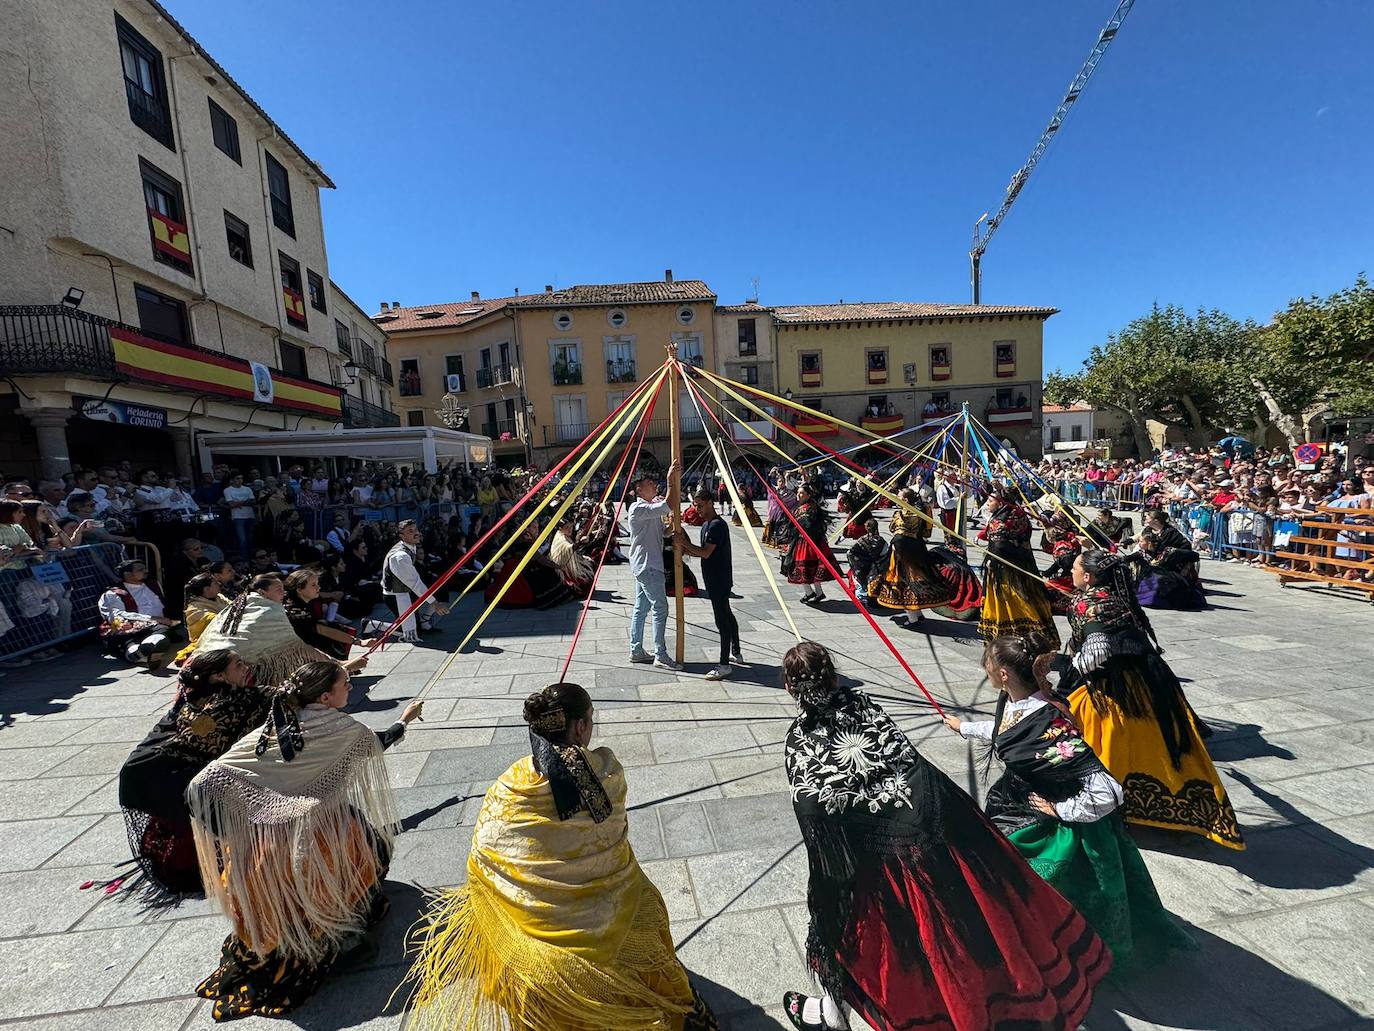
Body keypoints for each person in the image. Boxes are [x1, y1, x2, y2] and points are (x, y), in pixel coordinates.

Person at [780, 642, 1109, 1031]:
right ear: (834, 677)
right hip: (941, 829)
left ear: (789, 689)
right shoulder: (867, 706)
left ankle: (837, 1016)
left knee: (841, 925)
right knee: (976, 919)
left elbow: (819, 825)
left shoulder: (799, 741)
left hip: (881, 861)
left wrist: (832, 889)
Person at [402, 682, 718, 1031]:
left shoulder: (508, 789)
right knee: (648, 905)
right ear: (581, 727)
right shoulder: (608, 774)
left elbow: (482, 862)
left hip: (537, 947)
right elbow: (614, 831)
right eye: (591, 719)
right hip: (616, 919)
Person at [188, 660, 422, 1020]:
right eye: (346, 683)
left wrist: (240, 825)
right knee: (361, 854)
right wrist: (404, 720)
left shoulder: (275, 723)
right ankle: (337, 940)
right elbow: (377, 742)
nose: (351, 688)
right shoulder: (340, 726)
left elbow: (203, 782)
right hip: (317, 831)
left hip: (266, 840)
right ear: (326, 696)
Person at [944, 635, 1195, 970]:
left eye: (988, 662)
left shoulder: (1052, 726)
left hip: (1060, 821)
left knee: (1031, 884)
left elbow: (1106, 791)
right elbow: (1009, 733)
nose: (984, 669)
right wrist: (965, 727)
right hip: (1017, 804)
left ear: (1003, 673)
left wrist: (1060, 809)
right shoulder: (1017, 700)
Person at [1058, 549, 1243, 850]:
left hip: (1116, 687)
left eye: (1076, 568)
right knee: (1156, 744)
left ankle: (1102, 805)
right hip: (1148, 681)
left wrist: (1069, 674)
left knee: (1106, 742)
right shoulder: (1118, 595)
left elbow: (1098, 648)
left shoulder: (1087, 603)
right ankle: (1183, 809)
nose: (1073, 573)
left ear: (1088, 577)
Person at [118, 649, 269, 897]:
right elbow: (290, 694)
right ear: (220, 676)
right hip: (180, 782)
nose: (246, 668)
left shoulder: (191, 698)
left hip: (160, 778)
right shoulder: (238, 701)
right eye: (238, 665)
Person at [194, 574, 368, 684]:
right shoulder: (270, 609)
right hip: (231, 669)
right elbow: (298, 648)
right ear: (262, 592)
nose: (283, 594)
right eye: (278, 590)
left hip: (203, 663)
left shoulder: (243, 602)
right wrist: (340, 666)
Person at [977, 484, 1060, 646]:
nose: (987, 503)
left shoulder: (999, 522)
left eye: (991, 500)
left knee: (1010, 602)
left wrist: (990, 560)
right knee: (1027, 599)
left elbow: (999, 546)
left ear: (1001, 503)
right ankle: (1035, 636)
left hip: (1004, 571)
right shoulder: (1020, 514)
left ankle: (1009, 636)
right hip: (1024, 566)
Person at [676, 487, 741, 680]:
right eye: (696, 506)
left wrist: (684, 543)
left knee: (721, 619)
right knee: (727, 614)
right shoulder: (706, 525)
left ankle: (724, 664)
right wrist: (685, 548)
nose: (698, 510)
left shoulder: (716, 526)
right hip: (713, 577)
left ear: (711, 503)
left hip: (719, 578)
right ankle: (736, 650)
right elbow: (702, 552)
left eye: (701, 506)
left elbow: (705, 552)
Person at [626, 463, 681, 670]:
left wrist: (672, 528)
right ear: (638, 489)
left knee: (641, 608)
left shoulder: (648, 510)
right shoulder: (638, 507)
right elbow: (669, 504)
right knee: (660, 607)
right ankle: (661, 654)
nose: (654, 485)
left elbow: (661, 533)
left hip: (645, 563)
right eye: (649, 483)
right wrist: (670, 481)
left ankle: (636, 649)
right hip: (648, 565)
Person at [98, 558, 182, 665]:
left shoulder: (153, 584)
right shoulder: (112, 593)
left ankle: (144, 650)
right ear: (127, 574)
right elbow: (116, 616)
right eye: (140, 570)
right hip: (130, 626)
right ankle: (137, 650)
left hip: (157, 625)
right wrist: (150, 619)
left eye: (145, 568)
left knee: (162, 630)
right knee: (123, 631)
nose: (146, 571)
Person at [384, 519, 450, 643]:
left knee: (440, 590)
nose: (416, 533)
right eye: (410, 531)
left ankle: (424, 621)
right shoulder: (401, 556)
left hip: (405, 591)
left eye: (416, 530)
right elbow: (415, 583)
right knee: (410, 632)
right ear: (401, 536)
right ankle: (371, 624)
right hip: (396, 595)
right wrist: (434, 603)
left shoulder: (408, 546)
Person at [1132, 509, 1206, 610]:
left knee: (1161, 577)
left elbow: (1185, 549)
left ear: (1156, 521)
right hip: (1157, 558)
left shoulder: (1170, 532)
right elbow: (1140, 539)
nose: (1145, 519)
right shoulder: (1148, 530)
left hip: (1175, 560)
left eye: (1148, 518)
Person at [284, 568, 357, 660]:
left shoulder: (305, 602)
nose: (318, 587)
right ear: (299, 590)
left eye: (317, 584)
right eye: (313, 585)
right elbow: (321, 630)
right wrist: (357, 641)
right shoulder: (295, 610)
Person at [784, 482, 837, 604]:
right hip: (802, 542)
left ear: (808, 495)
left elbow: (811, 525)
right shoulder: (799, 508)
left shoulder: (811, 508)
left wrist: (801, 523)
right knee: (807, 568)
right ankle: (816, 593)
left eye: (801, 493)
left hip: (810, 543)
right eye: (798, 493)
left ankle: (812, 592)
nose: (799, 495)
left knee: (805, 568)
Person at [174, 572, 229, 663]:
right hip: (207, 642)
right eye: (215, 583)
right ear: (207, 589)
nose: (219, 584)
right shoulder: (195, 609)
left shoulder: (219, 597)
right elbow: (217, 620)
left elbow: (235, 607)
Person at [845, 518, 885, 605]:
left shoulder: (862, 540)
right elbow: (885, 553)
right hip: (877, 566)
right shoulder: (881, 540)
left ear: (867, 528)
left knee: (857, 575)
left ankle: (862, 596)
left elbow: (851, 552)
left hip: (862, 566)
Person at [935, 470, 961, 535]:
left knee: (957, 533)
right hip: (948, 514)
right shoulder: (942, 488)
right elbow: (945, 504)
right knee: (949, 534)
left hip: (956, 513)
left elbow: (968, 495)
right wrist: (959, 498)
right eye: (953, 476)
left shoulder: (956, 487)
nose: (955, 477)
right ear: (947, 478)